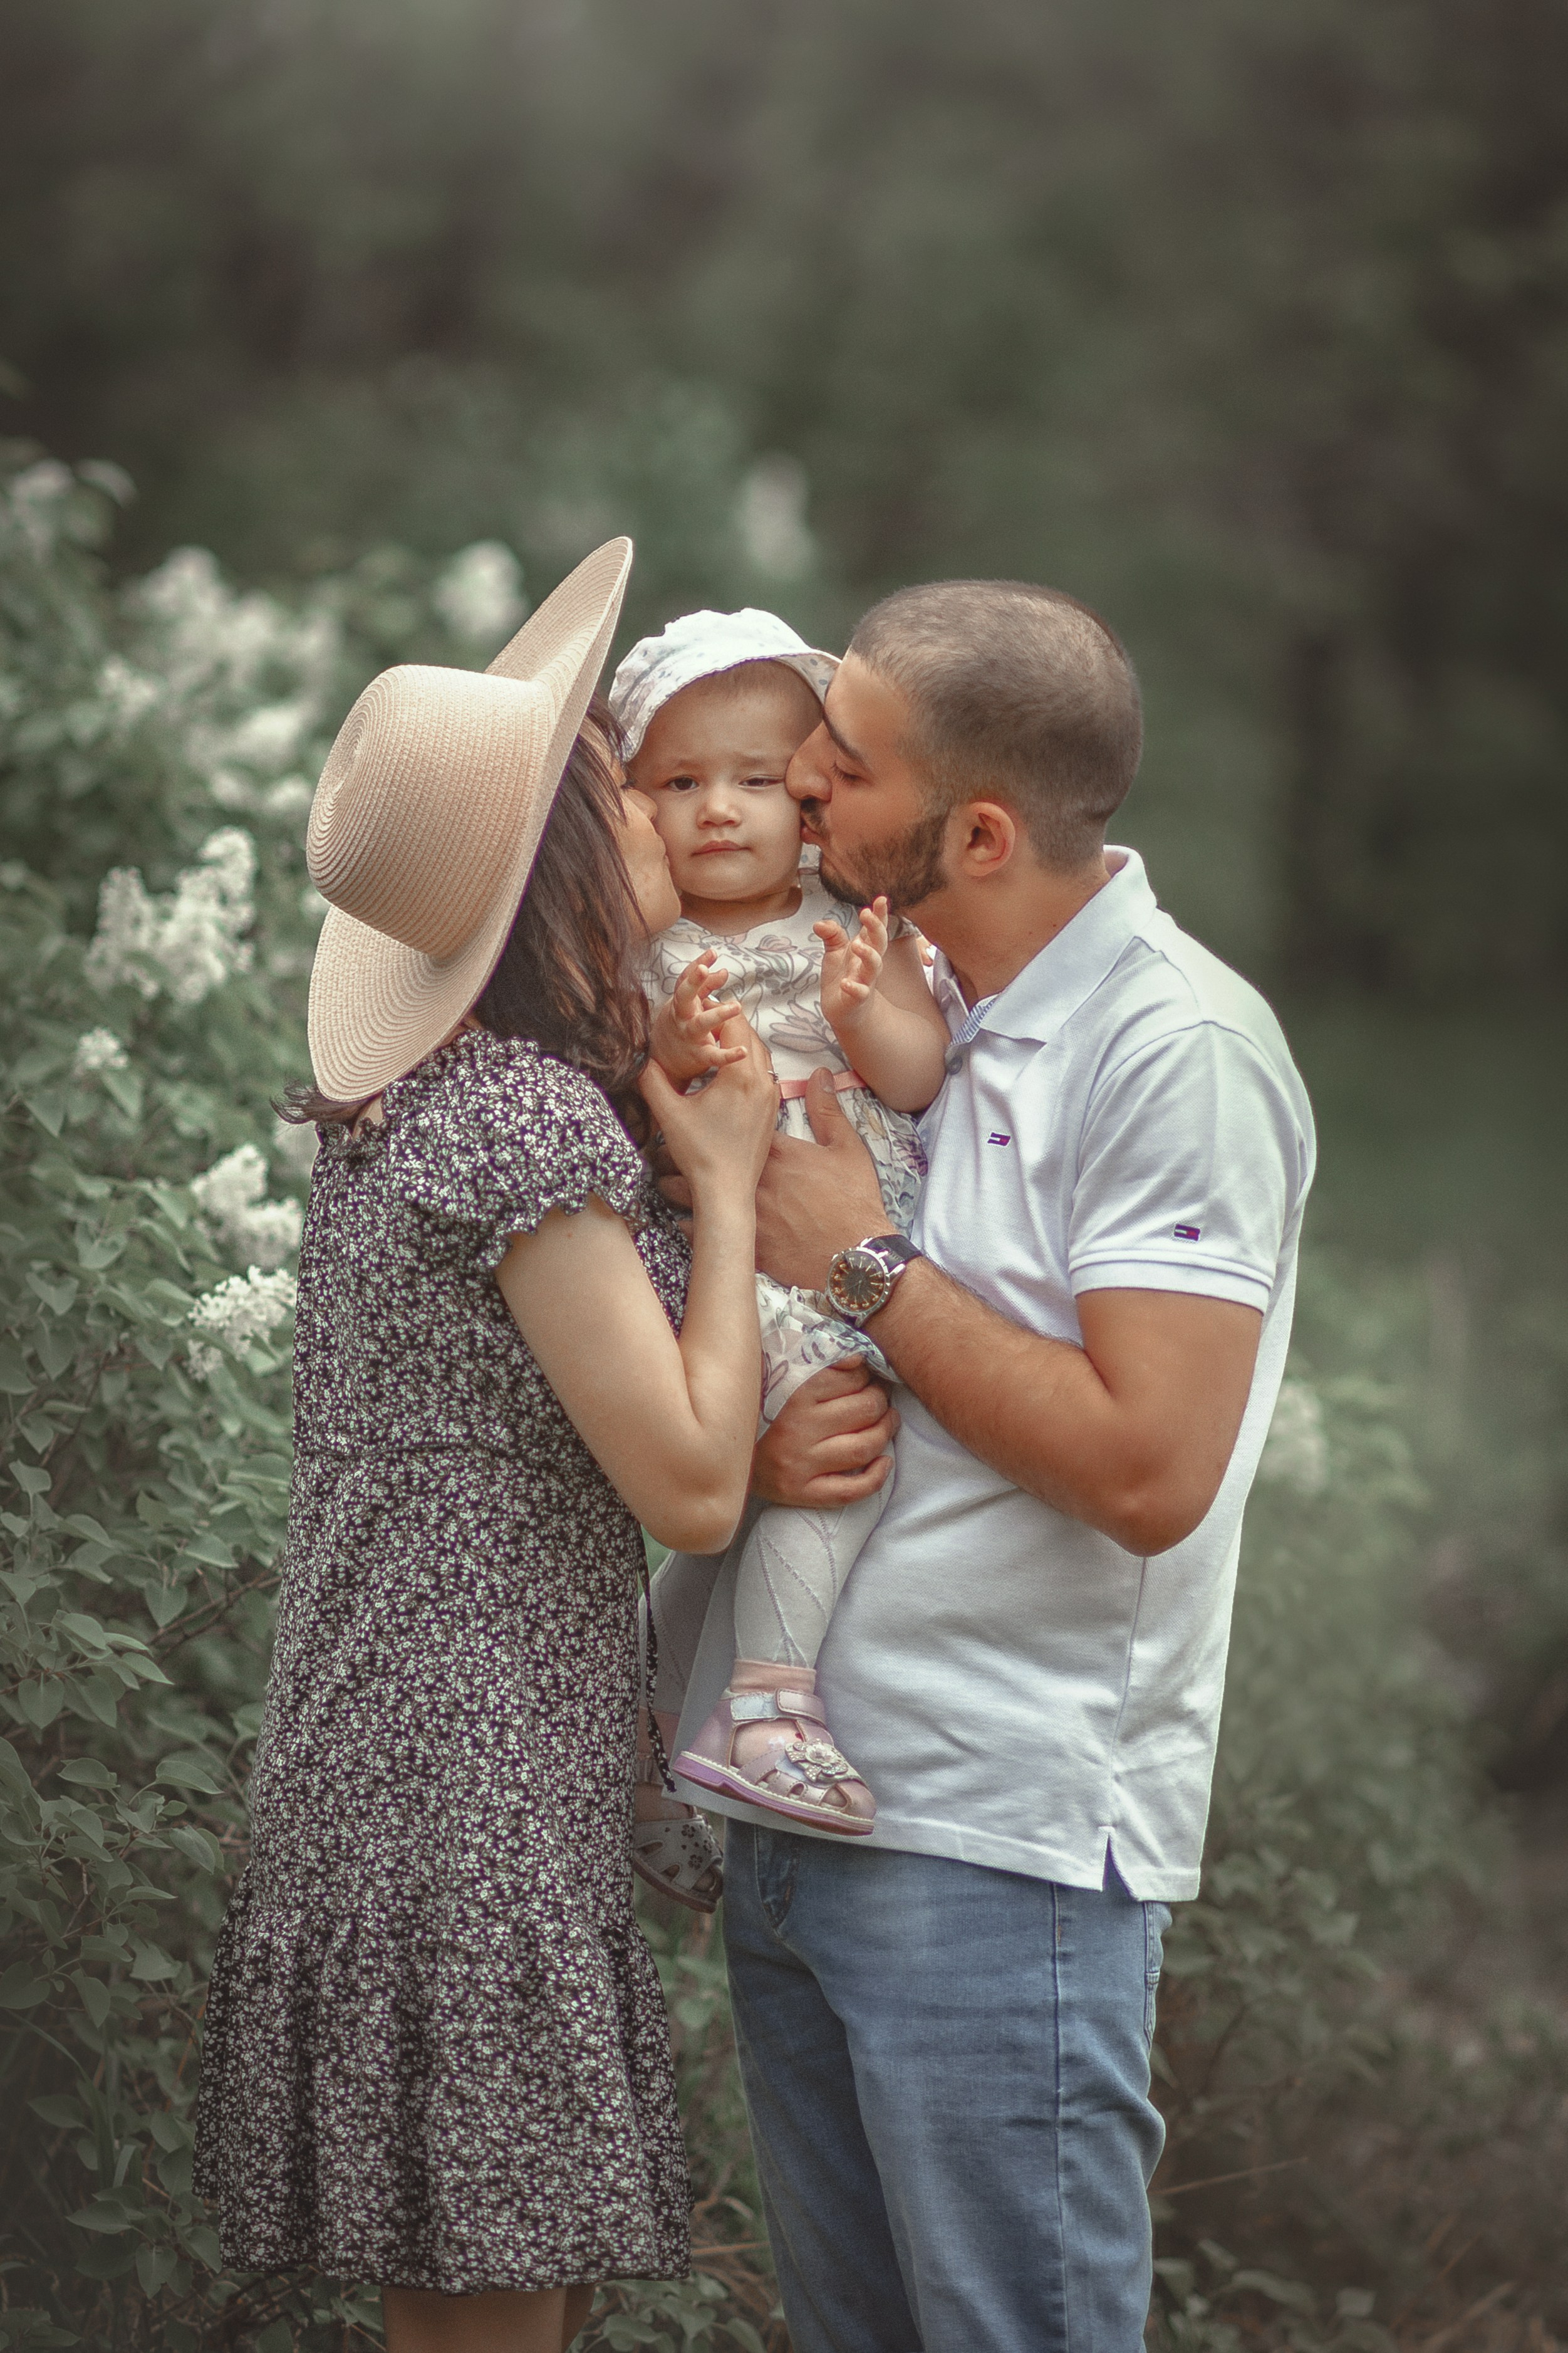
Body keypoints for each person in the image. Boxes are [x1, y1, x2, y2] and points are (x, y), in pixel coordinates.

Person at [663, 580, 1317, 2353]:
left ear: (976, 828)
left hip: (995, 1844)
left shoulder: (1173, 1052)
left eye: (843, 757)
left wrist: (864, 1261)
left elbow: (1148, 1462)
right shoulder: (903, 991)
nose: (800, 775)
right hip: (796, 1812)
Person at [193, 541, 781, 2353]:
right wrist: (736, 1189)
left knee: (483, 2293)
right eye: (613, 785)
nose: (651, 790)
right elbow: (691, 1478)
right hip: (468, 1774)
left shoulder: (422, 1107)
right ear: (569, 867)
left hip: (410, 1741)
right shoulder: (520, 1123)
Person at [607, 610, 948, 1881]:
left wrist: (867, 1019)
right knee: (825, 1432)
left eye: (757, 779)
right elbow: (622, 1088)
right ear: (632, 800)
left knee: (773, 1493)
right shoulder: (641, 946)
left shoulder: (851, 925)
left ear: (805, 794)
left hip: (847, 1226)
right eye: (681, 782)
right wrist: (675, 1048)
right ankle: (771, 1706)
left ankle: (647, 1729)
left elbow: (915, 1078)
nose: (720, 810)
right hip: (724, 1262)